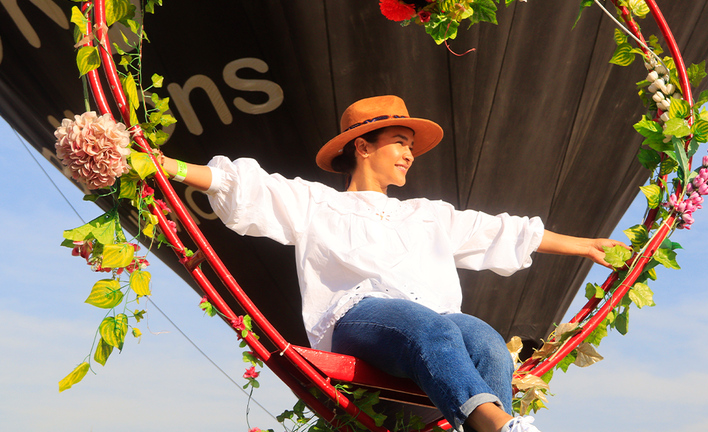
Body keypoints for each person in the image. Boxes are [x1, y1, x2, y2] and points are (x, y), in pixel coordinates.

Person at [158, 95, 627, 432]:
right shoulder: (316, 204)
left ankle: (491, 425)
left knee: (486, 342)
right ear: (363, 146)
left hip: (433, 318)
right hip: (358, 317)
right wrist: (164, 165)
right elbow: (240, 184)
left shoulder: (427, 215)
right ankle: (496, 426)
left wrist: (585, 245)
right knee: (432, 329)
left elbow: (504, 231)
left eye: (410, 146)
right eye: (400, 142)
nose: (409, 154)